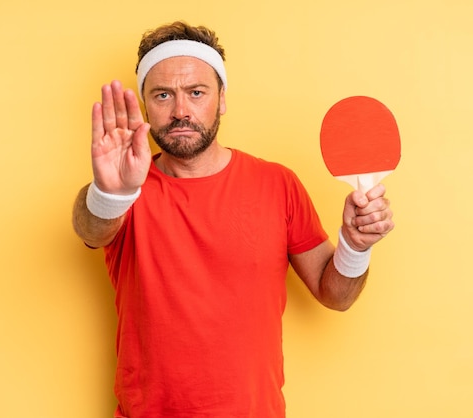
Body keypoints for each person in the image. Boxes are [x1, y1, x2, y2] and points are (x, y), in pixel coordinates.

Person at [72, 21, 394, 418]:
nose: (181, 111)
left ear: (221, 98)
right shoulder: (125, 187)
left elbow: (336, 295)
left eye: (196, 92)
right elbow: (91, 228)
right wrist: (109, 194)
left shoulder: (277, 183)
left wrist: (355, 247)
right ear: (144, 105)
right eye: (162, 95)